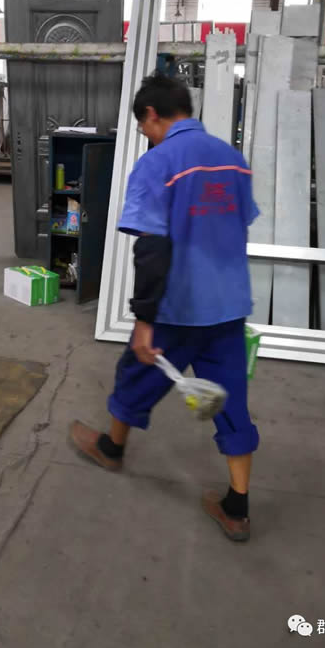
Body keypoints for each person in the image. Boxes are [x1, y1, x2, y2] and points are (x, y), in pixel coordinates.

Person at [70, 71, 260, 542]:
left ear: (152, 114)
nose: (145, 134)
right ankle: (237, 507)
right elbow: (239, 224)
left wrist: (144, 321)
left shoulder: (158, 162)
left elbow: (152, 249)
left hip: (178, 306)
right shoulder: (233, 159)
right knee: (230, 399)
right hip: (229, 305)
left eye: (143, 126)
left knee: (136, 371)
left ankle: (112, 448)